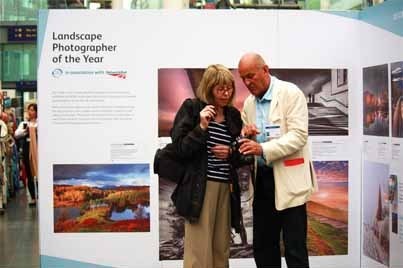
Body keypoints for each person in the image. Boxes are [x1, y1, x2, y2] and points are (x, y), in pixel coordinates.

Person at [237, 52, 317, 268]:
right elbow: (246, 142)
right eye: (243, 78)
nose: (247, 82)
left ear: (265, 70)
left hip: (290, 180)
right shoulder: (248, 104)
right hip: (262, 182)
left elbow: (299, 136)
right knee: (264, 247)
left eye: (251, 76)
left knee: (295, 248)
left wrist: (262, 147)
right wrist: (247, 135)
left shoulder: (291, 93)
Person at [170, 64, 248, 268]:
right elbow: (180, 149)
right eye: (220, 88)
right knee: (199, 251)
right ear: (209, 87)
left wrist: (232, 152)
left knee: (221, 249)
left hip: (226, 189)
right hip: (200, 189)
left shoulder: (233, 115)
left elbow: (241, 157)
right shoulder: (192, 108)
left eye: (229, 88)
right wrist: (202, 126)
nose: (226, 93)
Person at [15, 103, 38, 207]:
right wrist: (26, 131)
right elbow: (16, 134)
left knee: (39, 173)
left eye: (33, 110)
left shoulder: (39, 123)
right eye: (29, 110)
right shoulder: (24, 123)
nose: (30, 112)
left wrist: (35, 131)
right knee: (29, 174)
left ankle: (41, 195)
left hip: (38, 150)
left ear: (36, 112)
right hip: (26, 149)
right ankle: (33, 197)